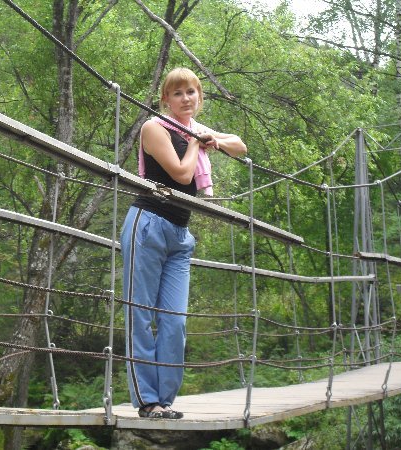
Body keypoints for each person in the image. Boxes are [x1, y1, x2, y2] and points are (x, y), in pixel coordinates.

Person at [121, 68, 247, 419]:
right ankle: (147, 401)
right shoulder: (154, 128)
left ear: (199, 97)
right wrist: (196, 143)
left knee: (175, 321)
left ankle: (165, 400)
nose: (186, 98)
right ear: (166, 99)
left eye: (192, 92)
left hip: (179, 234)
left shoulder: (195, 129)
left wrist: (213, 140)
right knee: (140, 313)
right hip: (147, 224)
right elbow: (181, 173)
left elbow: (240, 145)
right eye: (178, 93)